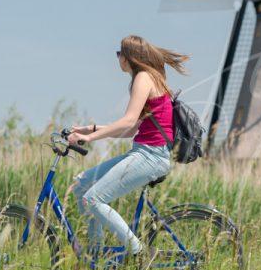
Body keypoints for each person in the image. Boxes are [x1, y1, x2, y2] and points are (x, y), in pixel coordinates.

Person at [67, 35, 187, 256]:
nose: (118, 58)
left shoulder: (143, 77)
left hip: (151, 156)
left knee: (92, 199)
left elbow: (129, 121)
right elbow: (132, 129)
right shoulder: (150, 78)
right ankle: (96, 254)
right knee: (82, 184)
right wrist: (90, 129)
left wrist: (91, 139)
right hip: (144, 152)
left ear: (128, 57)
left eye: (119, 53)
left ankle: (138, 253)